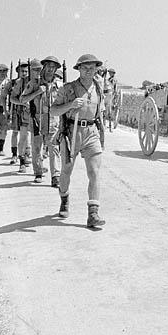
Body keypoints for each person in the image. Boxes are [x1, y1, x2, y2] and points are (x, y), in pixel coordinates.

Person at [51, 54, 106, 228]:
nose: (89, 71)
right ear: (79, 69)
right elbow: (53, 111)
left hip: (91, 132)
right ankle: (64, 198)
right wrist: (70, 105)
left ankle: (93, 213)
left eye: (92, 67)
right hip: (71, 132)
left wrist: (102, 133)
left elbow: (100, 114)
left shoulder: (98, 88)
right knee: (66, 170)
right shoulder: (68, 89)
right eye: (85, 67)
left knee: (95, 172)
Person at [20, 56, 63, 186]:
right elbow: (22, 99)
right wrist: (37, 92)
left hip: (53, 121)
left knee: (54, 147)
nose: (50, 69)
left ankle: (56, 176)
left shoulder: (59, 85)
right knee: (36, 147)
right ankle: (38, 172)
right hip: (37, 120)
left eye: (53, 67)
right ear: (43, 67)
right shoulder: (34, 83)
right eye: (48, 66)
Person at [9, 61, 31, 172]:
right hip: (22, 113)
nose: (25, 73)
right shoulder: (19, 83)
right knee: (22, 136)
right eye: (22, 71)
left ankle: (35, 161)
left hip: (37, 114)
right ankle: (21, 160)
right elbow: (12, 98)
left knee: (36, 139)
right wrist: (22, 103)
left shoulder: (38, 81)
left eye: (27, 71)